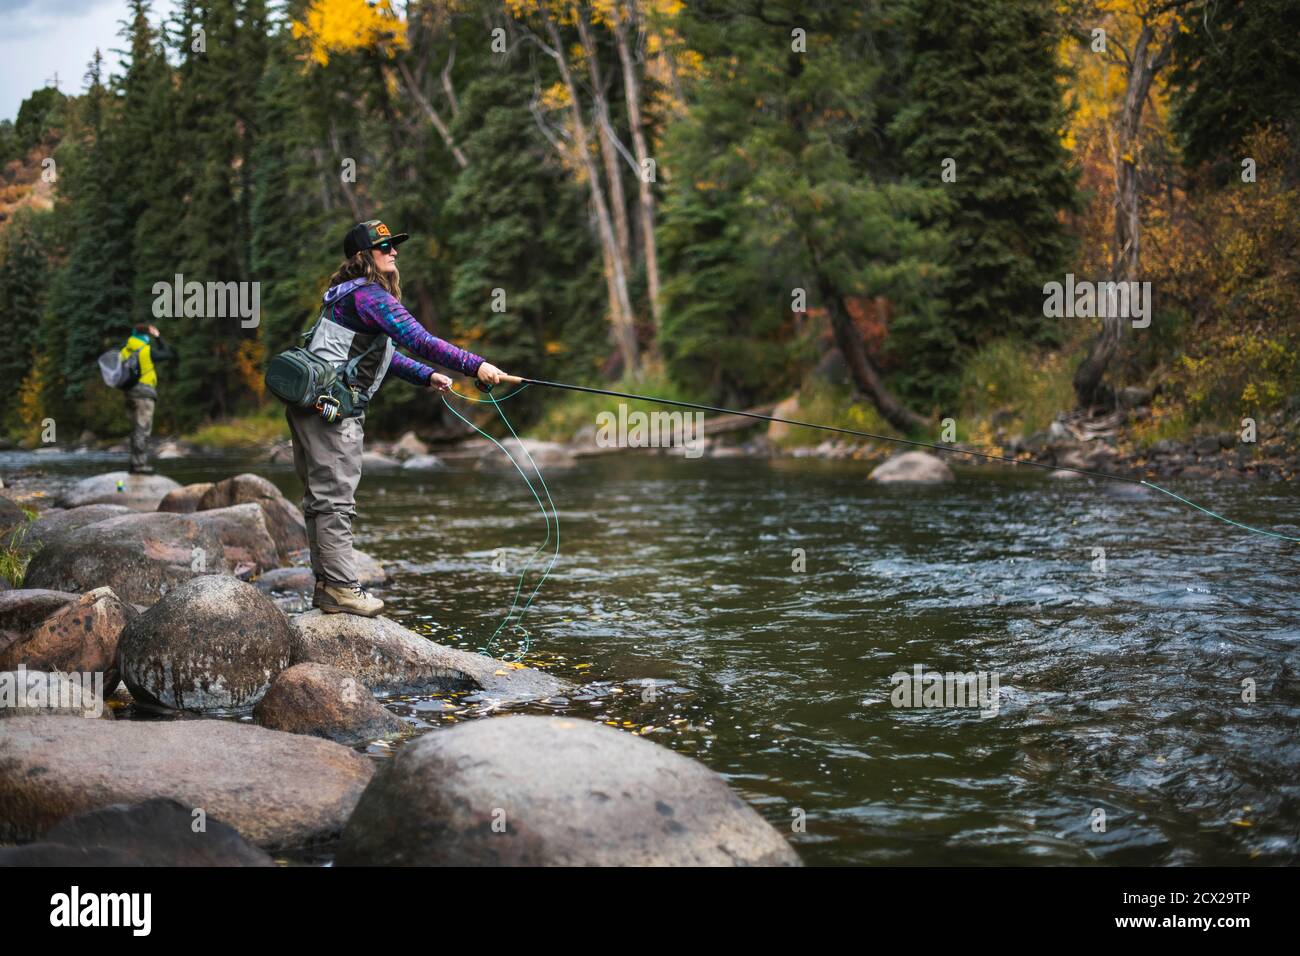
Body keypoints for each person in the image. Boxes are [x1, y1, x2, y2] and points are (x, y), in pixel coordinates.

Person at [289, 219, 508, 617]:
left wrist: (426, 375)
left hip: (310, 405)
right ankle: (339, 588)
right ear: (362, 257)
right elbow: (419, 339)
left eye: (393, 245)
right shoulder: (370, 297)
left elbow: (379, 356)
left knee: (319, 500)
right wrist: (475, 366)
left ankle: (328, 587)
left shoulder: (347, 297)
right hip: (332, 411)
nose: (393, 251)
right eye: (383, 247)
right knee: (335, 500)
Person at [119, 324, 173, 475]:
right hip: (144, 393)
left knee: (135, 429)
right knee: (143, 429)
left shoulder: (124, 351)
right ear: (146, 335)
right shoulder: (146, 350)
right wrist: (158, 336)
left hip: (129, 394)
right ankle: (139, 465)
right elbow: (167, 353)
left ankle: (134, 463)